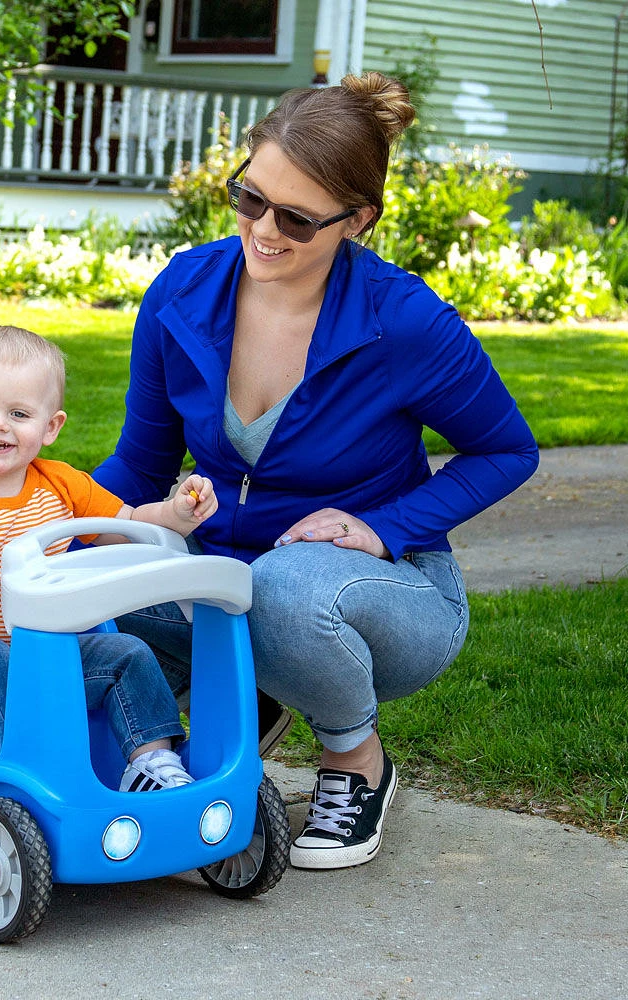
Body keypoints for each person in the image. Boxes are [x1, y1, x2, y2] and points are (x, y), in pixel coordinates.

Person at [92, 73, 539, 868]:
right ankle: (247, 698)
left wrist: (382, 528)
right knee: (81, 589)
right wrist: (55, 521)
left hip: (380, 596)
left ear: (356, 220)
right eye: (249, 199)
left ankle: (355, 759)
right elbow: (141, 462)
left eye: (296, 218)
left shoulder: (403, 321)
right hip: (225, 572)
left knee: (283, 588)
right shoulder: (183, 294)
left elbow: (508, 450)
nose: (263, 230)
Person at [0, 324, 218, 793]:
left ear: (50, 427)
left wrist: (174, 514)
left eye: (19, 412)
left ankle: (152, 766)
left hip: (47, 655)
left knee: (127, 653)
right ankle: (32, 776)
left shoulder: (61, 485)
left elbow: (125, 526)